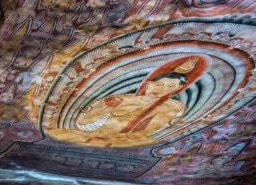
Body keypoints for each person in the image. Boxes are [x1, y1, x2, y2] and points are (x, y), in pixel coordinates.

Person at [47, 56, 208, 147]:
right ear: (148, 84)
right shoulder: (122, 98)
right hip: (93, 136)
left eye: (170, 87)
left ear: (175, 91)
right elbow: (84, 123)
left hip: (127, 141)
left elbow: (148, 131)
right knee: (57, 134)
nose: (162, 89)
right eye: (159, 84)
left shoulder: (172, 107)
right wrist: (105, 108)